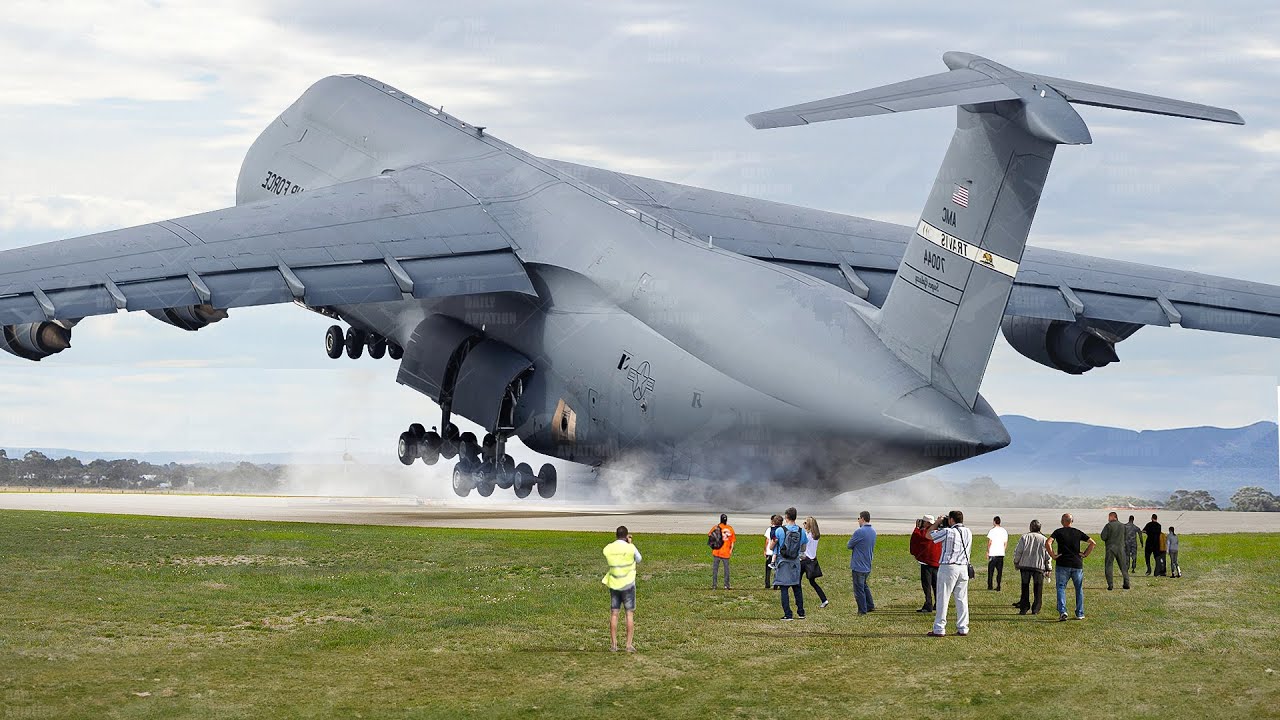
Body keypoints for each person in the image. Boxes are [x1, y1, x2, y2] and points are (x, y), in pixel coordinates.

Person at [926, 510, 972, 637]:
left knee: (943, 598)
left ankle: (939, 628)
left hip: (949, 567)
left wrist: (937, 522)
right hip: (963, 567)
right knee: (962, 599)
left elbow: (928, 535)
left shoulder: (948, 532)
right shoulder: (968, 532)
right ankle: (963, 627)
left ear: (951, 520)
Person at [1047, 513, 1095, 622]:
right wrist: (1085, 554)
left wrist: (1053, 555)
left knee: (1061, 587)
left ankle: (1063, 611)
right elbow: (1092, 543)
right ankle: (1080, 613)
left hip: (1062, 564)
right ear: (1072, 521)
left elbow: (1048, 542)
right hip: (1077, 564)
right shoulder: (1077, 532)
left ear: (1062, 521)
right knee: (1079, 588)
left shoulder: (1058, 532)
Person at [602, 525, 641, 652]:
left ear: (616, 535)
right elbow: (639, 559)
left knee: (614, 613)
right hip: (628, 584)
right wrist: (630, 544)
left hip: (614, 583)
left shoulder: (610, 547)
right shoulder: (630, 547)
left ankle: (614, 645)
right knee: (629, 614)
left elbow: (605, 551)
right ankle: (628, 645)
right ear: (626, 536)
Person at [772, 507, 809, 620]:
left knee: (784, 588)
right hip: (795, 562)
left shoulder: (779, 530)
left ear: (786, 517)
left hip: (783, 561)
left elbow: (772, 546)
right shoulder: (801, 531)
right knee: (797, 587)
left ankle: (788, 614)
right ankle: (801, 612)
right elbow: (803, 548)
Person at [1011, 519, 1051, 615]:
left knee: (1025, 587)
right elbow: (1048, 555)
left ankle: (1024, 607)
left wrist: (1016, 562)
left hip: (1025, 566)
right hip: (1038, 566)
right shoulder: (1044, 539)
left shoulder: (1024, 537)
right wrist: (1048, 568)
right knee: (1038, 588)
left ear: (1030, 527)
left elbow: (1018, 551)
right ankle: (1036, 609)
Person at [910, 514, 942, 613]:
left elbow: (916, 538)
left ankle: (928, 604)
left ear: (927, 523)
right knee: (936, 584)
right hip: (937, 561)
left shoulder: (924, 533)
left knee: (927, 585)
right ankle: (938, 604)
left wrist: (916, 528)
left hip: (926, 562)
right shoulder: (939, 532)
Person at [847, 510, 876, 614]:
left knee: (858, 589)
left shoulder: (859, 531)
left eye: (858, 518)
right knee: (864, 585)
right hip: (867, 563)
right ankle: (870, 605)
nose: (858, 521)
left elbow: (849, 545)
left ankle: (862, 610)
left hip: (858, 565)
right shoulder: (873, 531)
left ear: (862, 518)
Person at [801, 516, 829, 608]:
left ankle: (799, 601)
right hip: (812, 560)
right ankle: (824, 599)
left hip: (805, 560)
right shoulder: (815, 536)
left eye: (805, 523)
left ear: (809, 525)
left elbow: (802, 546)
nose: (804, 524)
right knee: (812, 582)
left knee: (797, 581)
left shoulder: (807, 536)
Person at [1099, 511, 1131, 590]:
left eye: (1109, 517)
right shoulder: (1123, 526)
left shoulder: (1108, 525)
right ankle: (1126, 583)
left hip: (1110, 548)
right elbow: (1126, 537)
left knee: (1109, 566)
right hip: (1120, 548)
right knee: (1123, 566)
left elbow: (1103, 537)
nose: (1108, 519)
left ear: (1113, 517)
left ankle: (1110, 585)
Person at [708, 513, 735, 590]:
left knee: (715, 569)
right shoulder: (730, 528)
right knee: (726, 569)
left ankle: (714, 585)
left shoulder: (716, 527)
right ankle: (726, 585)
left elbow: (709, 535)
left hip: (717, 551)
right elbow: (732, 541)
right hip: (726, 552)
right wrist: (731, 550)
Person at [986, 516, 1008, 591]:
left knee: (990, 571)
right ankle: (998, 585)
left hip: (993, 553)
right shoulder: (1004, 531)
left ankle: (990, 585)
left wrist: (988, 551)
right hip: (1000, 554)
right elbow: (1005, 543)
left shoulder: (992, 531)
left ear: (994, 522)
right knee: (999, 571)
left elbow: (990, 542)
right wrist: (1003, 550)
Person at [763, 514, 782, 589]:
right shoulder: (782, 529)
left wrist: (765, 549)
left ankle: (767, 583)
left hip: (770, 551)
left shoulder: (770, 529)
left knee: (768, 569)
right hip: (778, 552)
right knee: (777, 569)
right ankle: (776, 584)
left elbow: (767, 540)